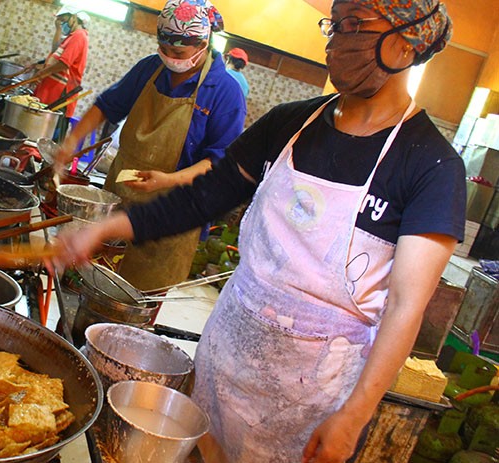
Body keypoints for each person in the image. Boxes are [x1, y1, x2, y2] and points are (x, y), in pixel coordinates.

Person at [50, 0, 462, 461]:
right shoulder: (290, 123)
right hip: (226, 357)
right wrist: (108, 227)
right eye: (335, 25)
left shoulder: (431, 164)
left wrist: (355, 415)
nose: (335, 41)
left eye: (353, 26)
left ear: (406, 43)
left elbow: (406, 306)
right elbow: (204, 196)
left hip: (313, 398)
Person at [57, 0, 247, 292]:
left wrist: (168, 180)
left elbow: (217, 162)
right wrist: (70, 142)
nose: (170, 58)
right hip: (120, 197)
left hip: (171, 216)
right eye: (164, 49)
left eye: (178, 52)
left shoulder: (225, 91)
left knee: (132, 305)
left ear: (203, 43)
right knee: (89, 286)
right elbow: (108, 105)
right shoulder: (151, 68)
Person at [32, 6, 90, 121]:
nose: (62, 23)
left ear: (73, 18)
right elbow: (55, 49)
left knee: (47, 132)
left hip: (61, 95)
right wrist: (58, 28)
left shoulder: (79, 36)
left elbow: (64, 63)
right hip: (52, 91)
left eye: (63, 20)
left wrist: (41, 74)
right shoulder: (71, 36)